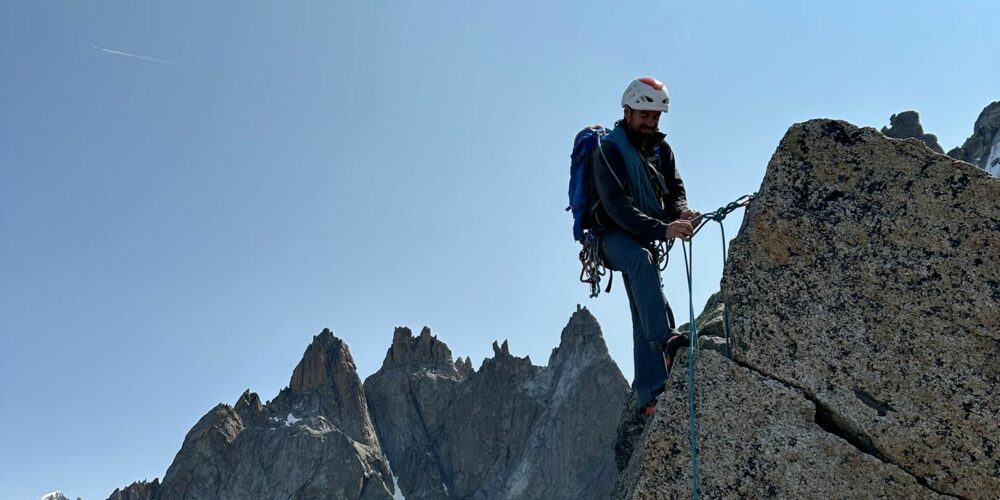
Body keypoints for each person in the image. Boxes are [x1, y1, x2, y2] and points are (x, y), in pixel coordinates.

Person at [588, 77, 698, 416]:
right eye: (644, 115)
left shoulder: (661, 150)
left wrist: (681, 212)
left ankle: (650, 395)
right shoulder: (608, 151)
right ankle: (665, 340)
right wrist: (664, 228)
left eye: (655, 117)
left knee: (642, 304)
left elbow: (674, 189)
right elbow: (618, 208)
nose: (650, 122)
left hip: (647, 233)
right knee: (639, 261)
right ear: (627, 111)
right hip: (610, 237)